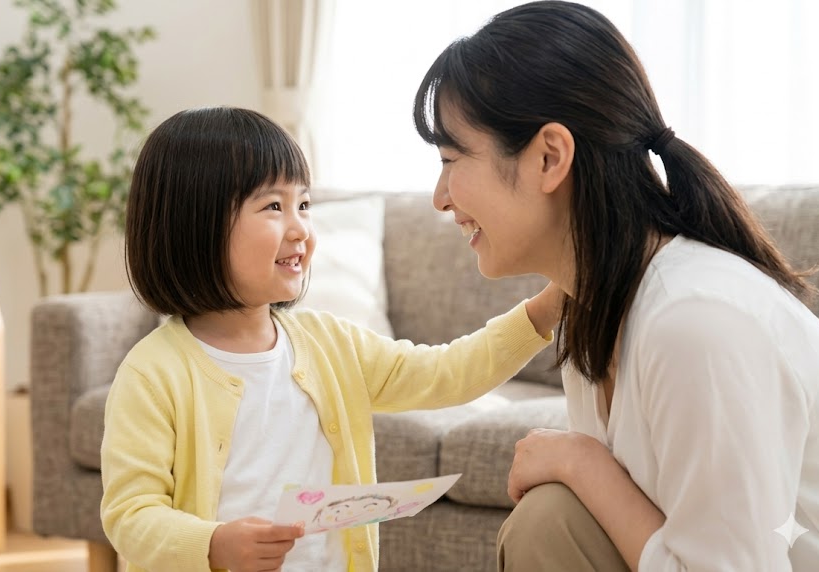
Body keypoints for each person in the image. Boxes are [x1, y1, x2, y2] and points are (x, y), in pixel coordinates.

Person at [413, 2, 819, 571]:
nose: (440, 197)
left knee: (553, 514)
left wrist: (585, 464)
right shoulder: (595, 308)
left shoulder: (696, 320)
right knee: (553, 518)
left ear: (549, 156)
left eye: (450, 158)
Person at [100, 106, 564, 572]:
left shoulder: (330, 344)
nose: (301, 229)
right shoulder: (153, 373)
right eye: (273, 207)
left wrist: (542, 311)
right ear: (195, 225)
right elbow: (131, 515)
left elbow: (445, 375)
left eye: (303, 205)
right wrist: (212, 543)